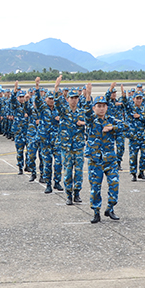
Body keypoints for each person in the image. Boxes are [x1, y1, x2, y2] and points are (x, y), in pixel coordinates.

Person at [83, 84, 122, 224]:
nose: (101, 108)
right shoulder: (91, 120)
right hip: (95, 160)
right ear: (94, 108)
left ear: (107, 107)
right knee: (95, 188)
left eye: (103, 105)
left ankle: (110, 208)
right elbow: (86, 112)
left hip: (110, 160)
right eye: (98, 105)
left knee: (114, 184)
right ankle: (96, 212)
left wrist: (113, 128)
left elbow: (126, 127)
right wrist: (88, 96)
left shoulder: (111, 120)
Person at [53, 76, 86, 205]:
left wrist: (82, 123)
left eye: (76, 98)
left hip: (78, 147)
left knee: (78, 171)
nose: (73, 100)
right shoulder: (63, 111)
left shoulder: (81, 112)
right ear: (67, 99)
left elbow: (90, 122)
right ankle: (68, 195)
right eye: (71, 98)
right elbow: (57, 102)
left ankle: (77, 193)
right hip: (66, 147)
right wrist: (56, 88)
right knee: (67, 171)